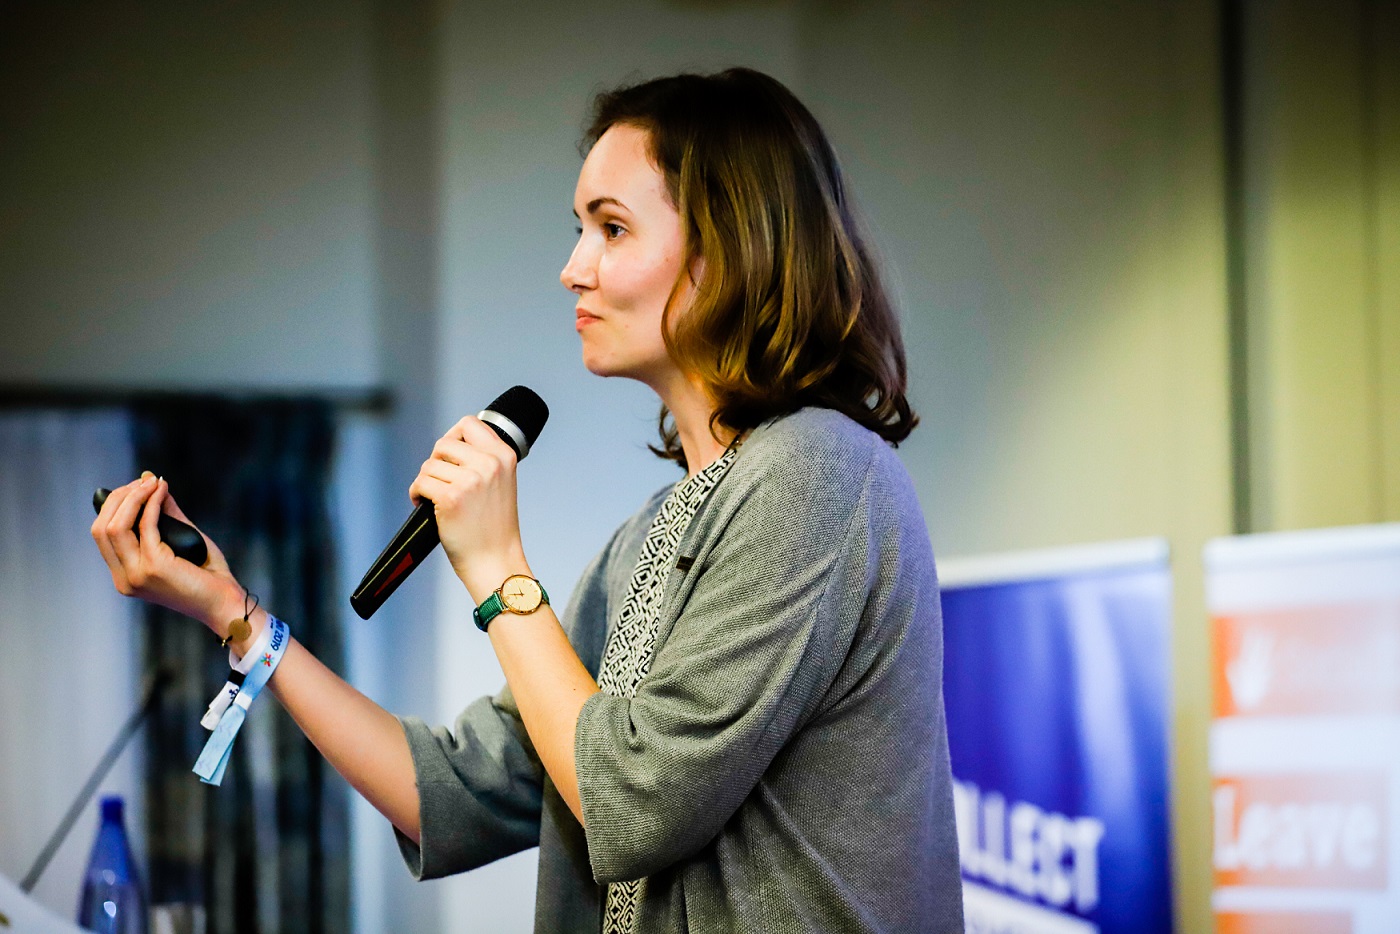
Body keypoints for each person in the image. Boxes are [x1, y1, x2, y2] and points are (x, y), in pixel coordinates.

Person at [91, 67, 964, 933]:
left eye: (612, 229)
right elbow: (452, 794)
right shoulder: (650, 538)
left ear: (728, 252)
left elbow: (632, 804)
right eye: (579, 229)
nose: (572, 269)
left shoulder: (820, 470)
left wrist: (495, 562)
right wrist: (237, 616)